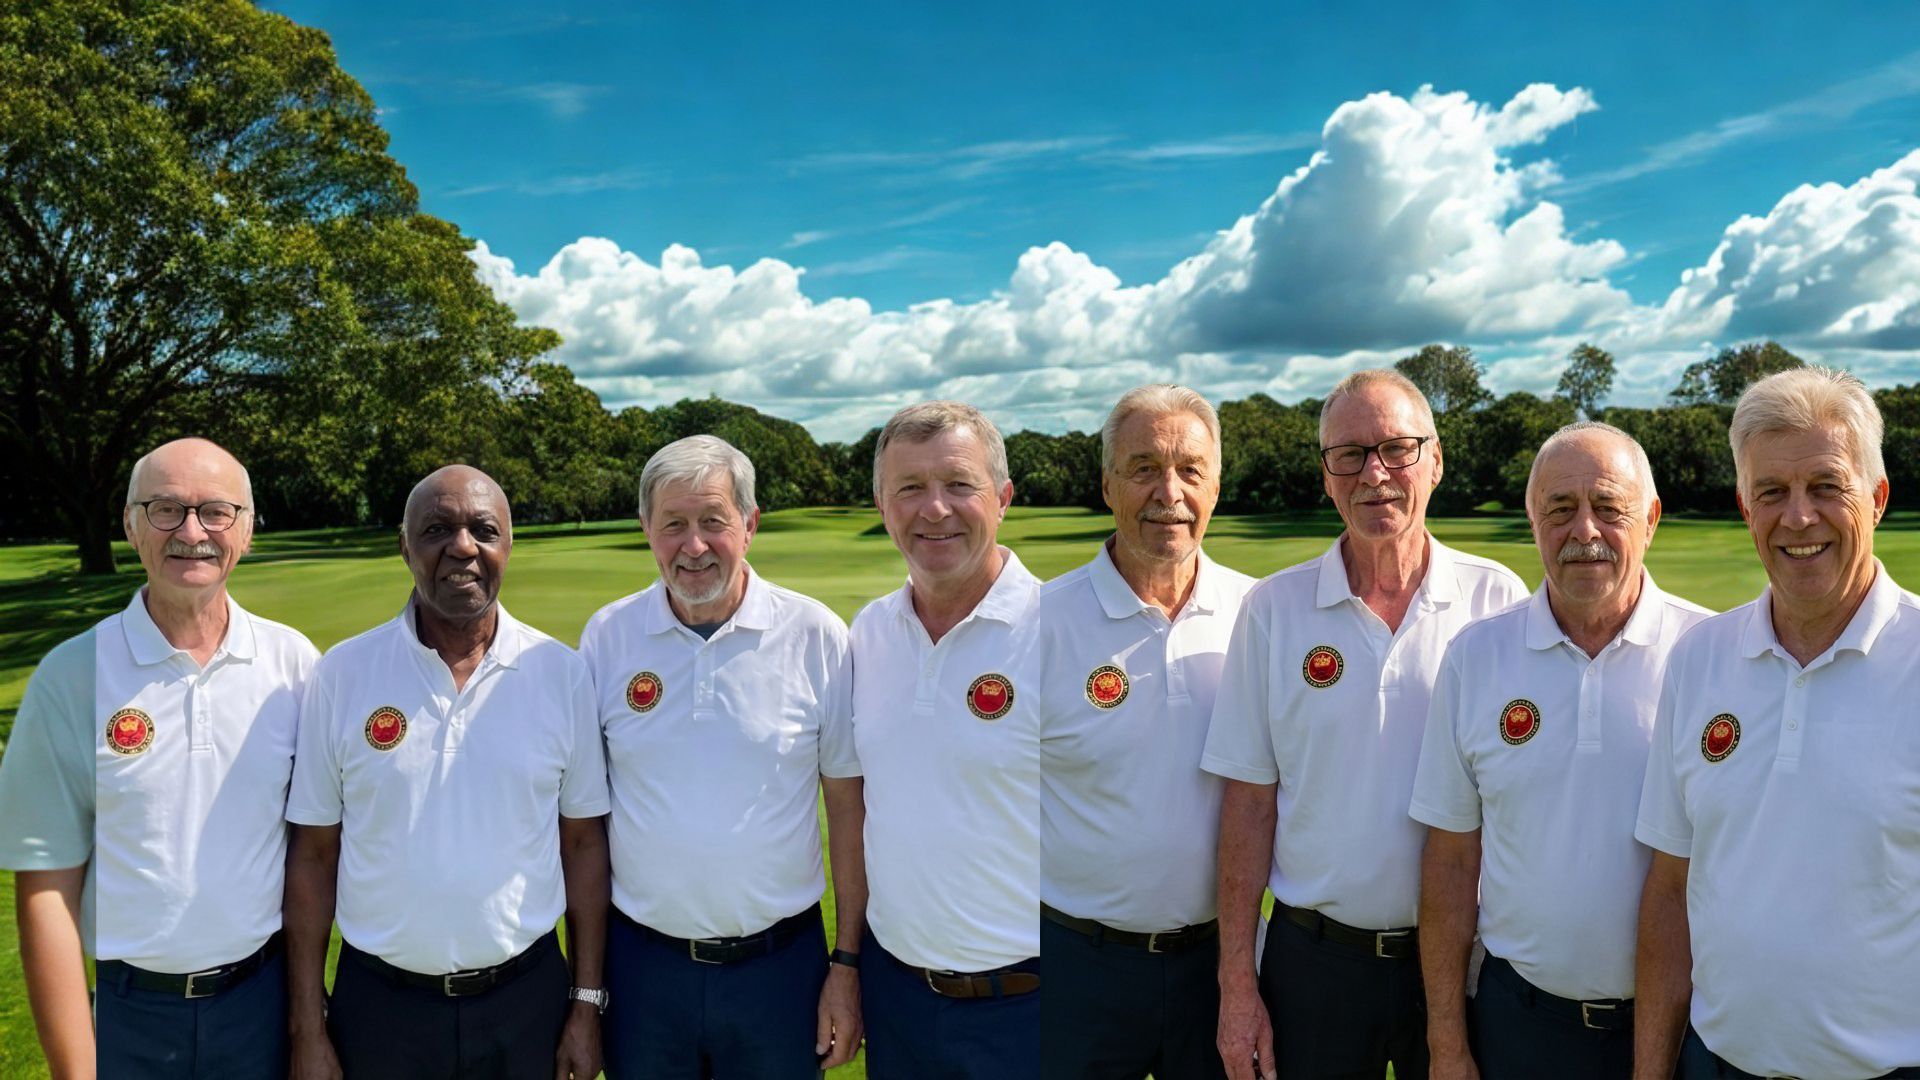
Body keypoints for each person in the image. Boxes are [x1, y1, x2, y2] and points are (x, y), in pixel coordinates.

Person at [1204, 369, 1527, 1080]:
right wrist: (1236, 983)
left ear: (1435, 461)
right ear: (1326, 476)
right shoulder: (1274, 609)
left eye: (1397, 448)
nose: (1374, 472)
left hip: (1462, 961)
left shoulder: (1499, 597)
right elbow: (1249, 805)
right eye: (1348, 454)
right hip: (1312, 962)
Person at [0, 438, 318, 1079]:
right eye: (165, 508)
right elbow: (44, 886)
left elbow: (315, 852)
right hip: (131, 1012)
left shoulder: (296, 666)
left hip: (261, 1001)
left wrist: (306, 1019)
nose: (192, 532)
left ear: (248, 529)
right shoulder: (71, 675)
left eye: (216, 512)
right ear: (129, 523)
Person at [1634, 367, 1920, 1080]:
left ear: (1877, 498)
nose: (1798, 517)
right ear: (1745, 506)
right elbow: (1672, 887)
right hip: (1717, 1064)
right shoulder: (1699, 656)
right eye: (1772, 493)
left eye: (1826, 487)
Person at [284, 465, 611, 1080]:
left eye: (483, 529)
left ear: (507, 546)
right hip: (380, 1007)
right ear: (405, 546)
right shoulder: (343, 673)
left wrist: (587, 1006)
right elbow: (314, 856)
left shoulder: (562, 674)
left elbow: (584, 844)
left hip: (526, 1002)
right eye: (437, 529)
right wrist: (307, 1024)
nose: (463, 547)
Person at [1410, 422, 1710, 1079]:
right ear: (1531, 518)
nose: (1584, 532)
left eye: (1609, 507)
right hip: (1521, 1024)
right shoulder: (1476, 657)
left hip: (1689, 1028)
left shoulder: (1711, 654)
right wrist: (1447, 1045)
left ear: (1651, 518)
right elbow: (1452, 861)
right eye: (1559, 509)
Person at [578, 435, 867, 1078]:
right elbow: (584, 826)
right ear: (646, 530)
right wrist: (586, 990)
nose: (694, 545)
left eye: (714, 522)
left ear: (751, 525)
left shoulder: (816, 633)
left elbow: (848, 810)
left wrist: (846, 965)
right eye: (673, 524)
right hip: (643, 970)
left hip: (781, 969)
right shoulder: (607, 636)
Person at [1037, 385, 1255, 1080]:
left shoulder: (1261, 614)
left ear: (1216, 484)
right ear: (1108, 485)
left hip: (1223, 963)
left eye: (1191, 469)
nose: (1170, 492)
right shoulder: (1037, 621)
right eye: (1143, 468)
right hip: (1077, 966)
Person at [850, 401, 1042, 1080]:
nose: (934, 509)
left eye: (959, 485)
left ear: (1004, 498)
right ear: (882, 503)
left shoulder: (1065, 631)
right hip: (897, 1000)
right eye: (910, 489)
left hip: (1032, 1010)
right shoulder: (866, 634)